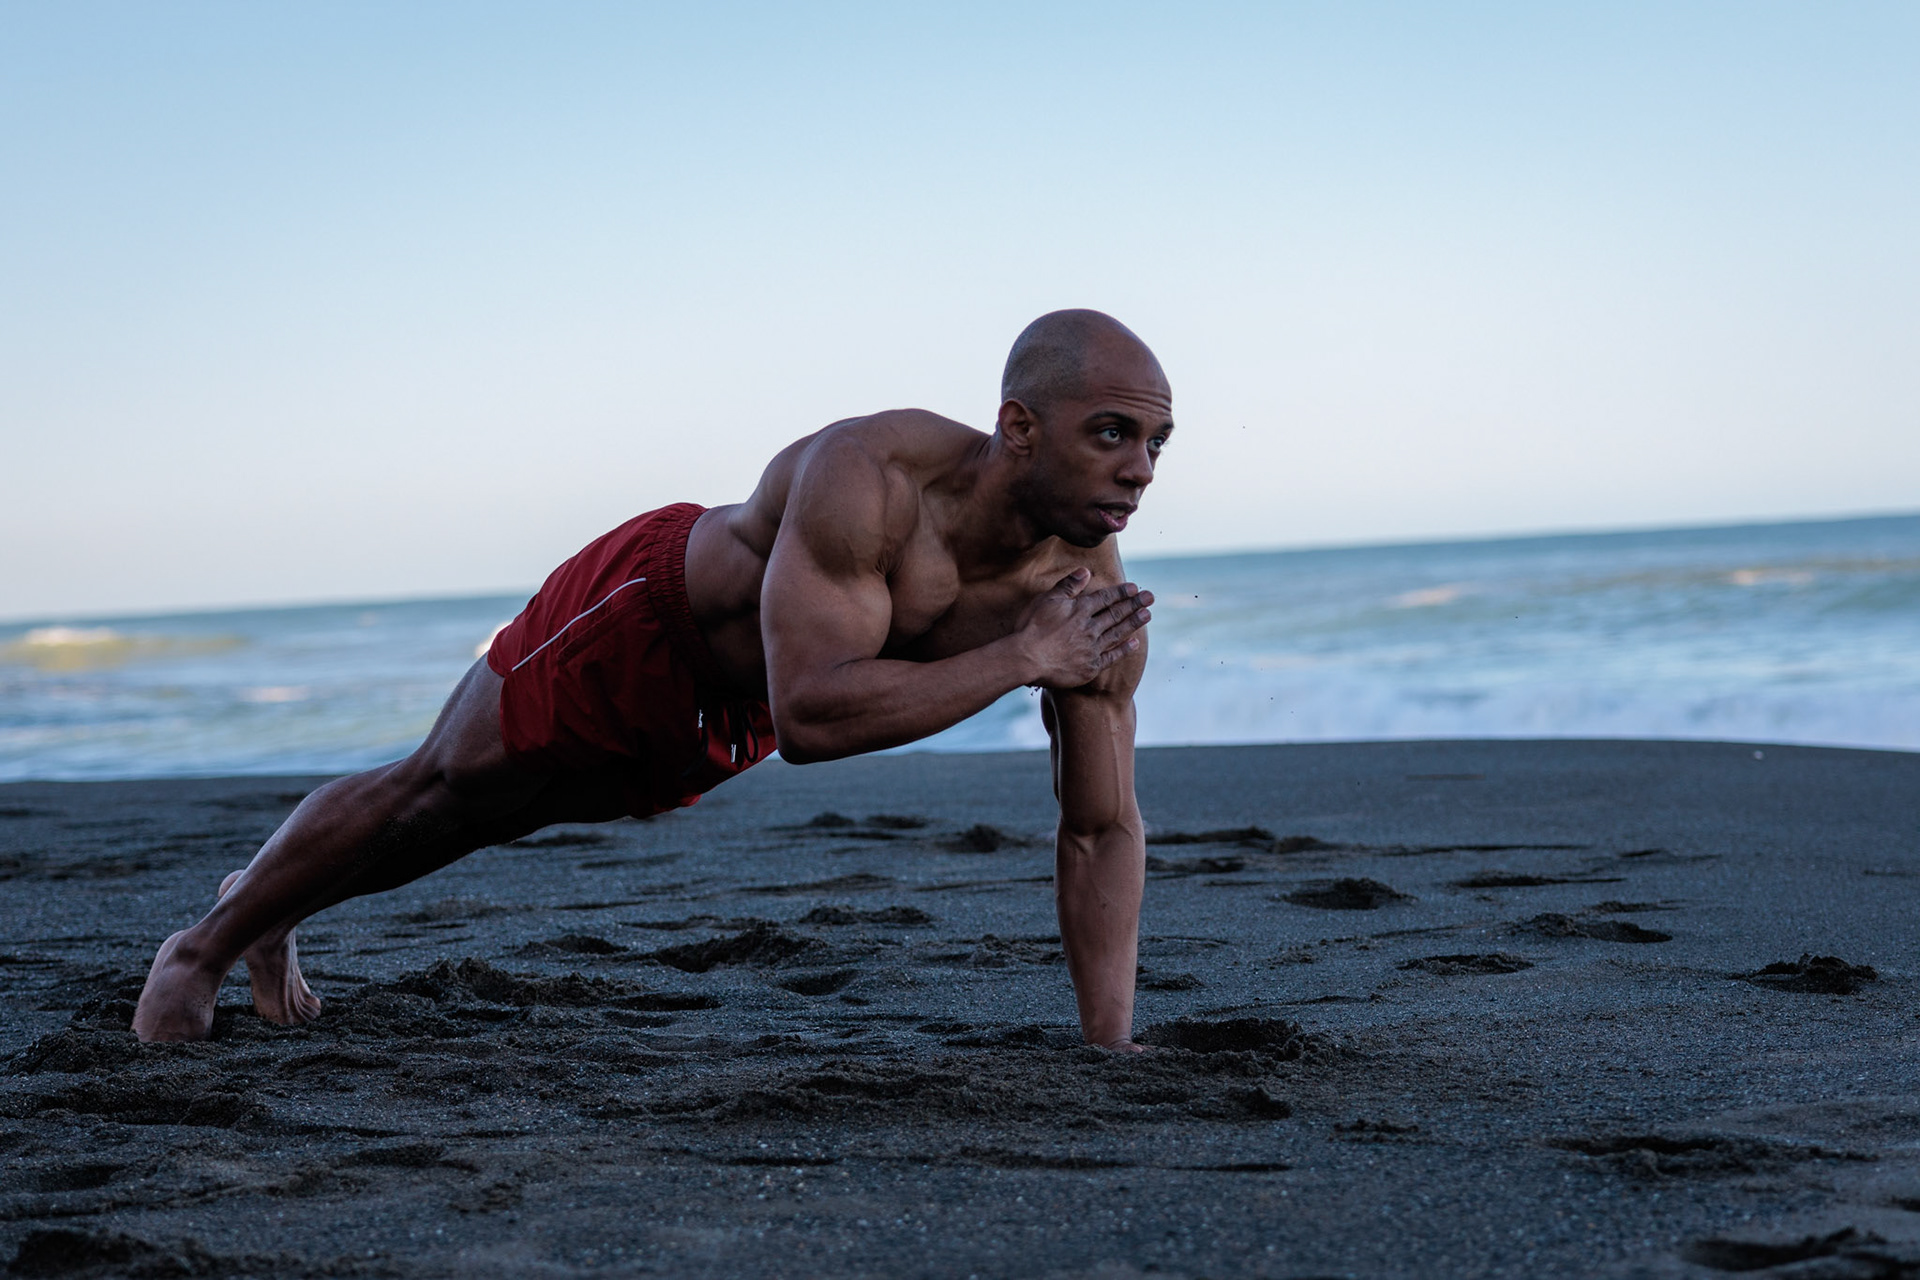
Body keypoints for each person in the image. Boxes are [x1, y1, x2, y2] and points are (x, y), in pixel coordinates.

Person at [132, 309, 1170, 1049]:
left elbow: (1101, 825)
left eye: (1157, 443)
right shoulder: (873, 476)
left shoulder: (1087, 603)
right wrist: (1020, 658)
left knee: (490, 821)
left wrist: (1109, 1048)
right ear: (1019, 427)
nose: (1140, 469)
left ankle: (269, 905)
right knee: (443, 788)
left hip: (733, 710)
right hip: (645, 615)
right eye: (1111, 433)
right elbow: (815, 715)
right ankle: (202, 951)